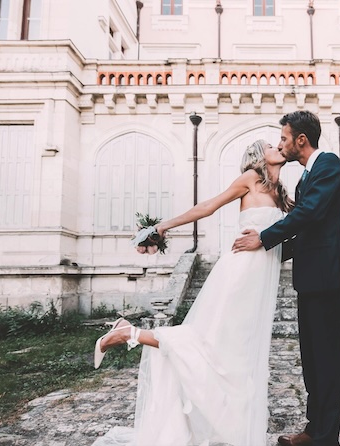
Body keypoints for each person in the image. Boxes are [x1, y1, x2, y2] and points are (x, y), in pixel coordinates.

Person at [94, 139, 293, 446]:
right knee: (207, 340)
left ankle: (224, 425)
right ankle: (129, 333)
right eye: (270, 144)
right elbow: (208, 206)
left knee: (235, 352)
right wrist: (164, 226)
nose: (277, 145)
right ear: (258, 156)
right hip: (239, 272)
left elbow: (299, 224)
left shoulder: (281, 193)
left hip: (260, 281)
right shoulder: (250, 178)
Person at [233, 110, 340, 446]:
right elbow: (308, 232)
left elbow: (308, 213)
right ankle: (314, 430)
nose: (281, 144)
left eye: (284, 138)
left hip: (325, 279)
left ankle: (326, 439)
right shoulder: (306, 176)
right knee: (312, 361)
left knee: (327, 361)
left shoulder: (328, 165)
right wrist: (265, 257)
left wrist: (264, 238)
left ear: (301, 139)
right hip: (309, 278)